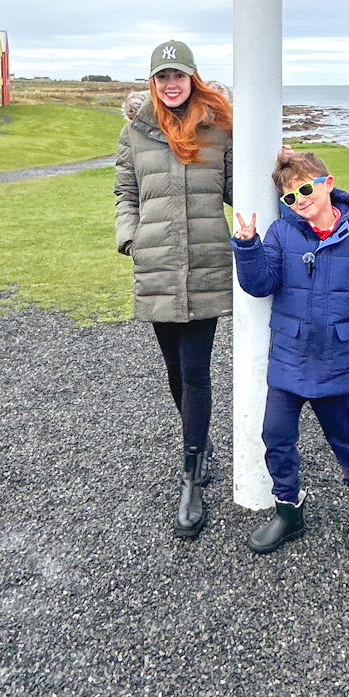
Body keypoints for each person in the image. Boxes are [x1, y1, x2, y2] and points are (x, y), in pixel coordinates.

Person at [232, 148, 349, 555]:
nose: (299, 199)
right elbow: (260, 284)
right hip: (289, 357)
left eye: (305, 188)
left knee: (346, 438)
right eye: (289, 196)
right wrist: (248, 247)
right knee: (276, 436)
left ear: (328, 184)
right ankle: (289, 511)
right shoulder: (281, 234)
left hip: (337, 360)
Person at [115, 40, 234, 539]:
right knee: (172, 371)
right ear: (152, 81)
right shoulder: (135, 132)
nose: (170, 84)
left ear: (193, 77)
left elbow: (238, 189)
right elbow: (125, 191)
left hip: (205, 264)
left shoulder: (218, 130)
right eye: (162, 76)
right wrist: (130, 237)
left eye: (178, 75)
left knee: (195, 370)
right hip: (158, 264)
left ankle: (190, 479)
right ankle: (199, 445)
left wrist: (285, 164)